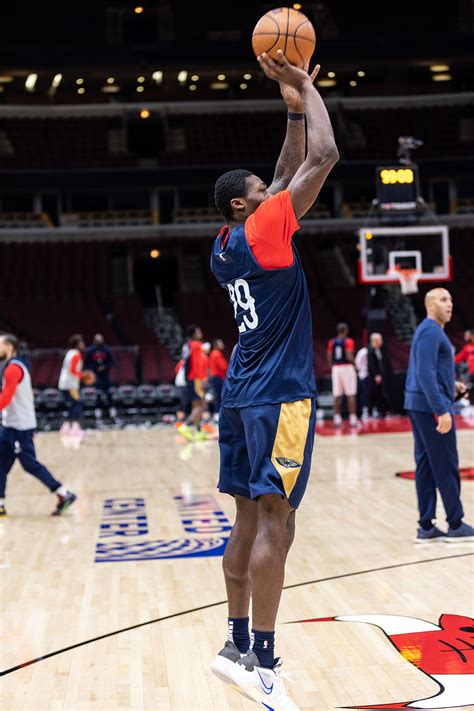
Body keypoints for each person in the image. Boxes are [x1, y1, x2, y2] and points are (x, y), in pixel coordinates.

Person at [209, 50, 338, 709]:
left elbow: (288, 169)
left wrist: (289, 106)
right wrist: (309, 86)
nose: (273, 189)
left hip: (240, 393)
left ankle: (233, 644)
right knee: (275, 523)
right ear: (245, 202)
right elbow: (323, 159)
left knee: (246, 519)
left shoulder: (227, 243)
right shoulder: (265, 226)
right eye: (262, 189)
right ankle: (262, 660)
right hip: (282, 395)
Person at [404, 288, 473, 543]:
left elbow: (429, 371)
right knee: (445, 464)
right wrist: (441, 409)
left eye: (451, 299)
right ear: (430, 305)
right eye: (444, 299)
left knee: (426, 465)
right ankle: (455, 524)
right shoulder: (431, 331)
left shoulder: (429, 331)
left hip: (420, 404)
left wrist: (451, 384)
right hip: (430, 407)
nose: (450, 304)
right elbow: (424, 374)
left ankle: (427, 526)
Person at [0, 333, 76, 516]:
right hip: (9, 425)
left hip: (21, 427)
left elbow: (7, 397)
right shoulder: (12, 366)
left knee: (29, 464)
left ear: (9, 347)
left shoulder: (13, 369)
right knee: (1, 464)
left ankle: (63, 493)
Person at [176, 325, 208, 441]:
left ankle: (199, 431)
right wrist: (203, 378)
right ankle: (185, 425)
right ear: (193, 334)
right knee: (202, 405)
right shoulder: (196, 345)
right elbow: (198, 364)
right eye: (198, 331)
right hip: (196, 378)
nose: (200, 332)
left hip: (190, 378)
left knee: (195, 405)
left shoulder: (187, 345)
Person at [327, 322, 359, 427]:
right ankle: (353, 420)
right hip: (346, 367)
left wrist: (332, 367)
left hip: (336, 368)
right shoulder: (348, 341)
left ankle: (337, 419)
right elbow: (349, 356)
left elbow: (329, 357)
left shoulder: (332, 342)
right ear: (345, 330)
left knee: (337, 395)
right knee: (350, 394)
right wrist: (356, 365)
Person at [58, 334, 86, 435]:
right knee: (77, 405)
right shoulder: (76, 354)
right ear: (77, 344)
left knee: (72, 406)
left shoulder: (69, 353)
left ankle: (66, 427)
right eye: (81, 343)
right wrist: (83, 376)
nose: (83, 344)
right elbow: (72, 369)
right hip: (71, 385)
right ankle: (75, 428)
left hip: (64, 383)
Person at [367, 332, 390, 418]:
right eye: (380, 340)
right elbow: (371, 365)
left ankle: (383, 411)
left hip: (379, 376)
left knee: (381, 393)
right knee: (376, 394)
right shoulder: (370, 350)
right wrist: (376, 375)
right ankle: (376, 411)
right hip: (374, 377)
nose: (381, 341)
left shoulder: (378, 350)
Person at [454, 328, 474, 405]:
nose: (465, 336)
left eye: (467, 335)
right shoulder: (467, 348)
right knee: (471, 391)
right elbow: (457, 358)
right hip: (472, 375)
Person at [209, 338, 229, 415]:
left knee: (218, 396)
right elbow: (223, 367)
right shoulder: (216, 353)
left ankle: (217, 413)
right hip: (218, 377)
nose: (222, 344)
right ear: (216, 345)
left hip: (216, 377)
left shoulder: (214, 353)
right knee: (220, 396)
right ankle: (218, 413)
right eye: (220, 343)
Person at [354, 343, 370, 420]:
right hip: (363, 375)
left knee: (370, 394)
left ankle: (370, 411)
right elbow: (357, 363)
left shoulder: (369, 351)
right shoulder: (363, 352)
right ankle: (364, 412)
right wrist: (361, 370)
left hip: (369, 375)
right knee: (364, 394)